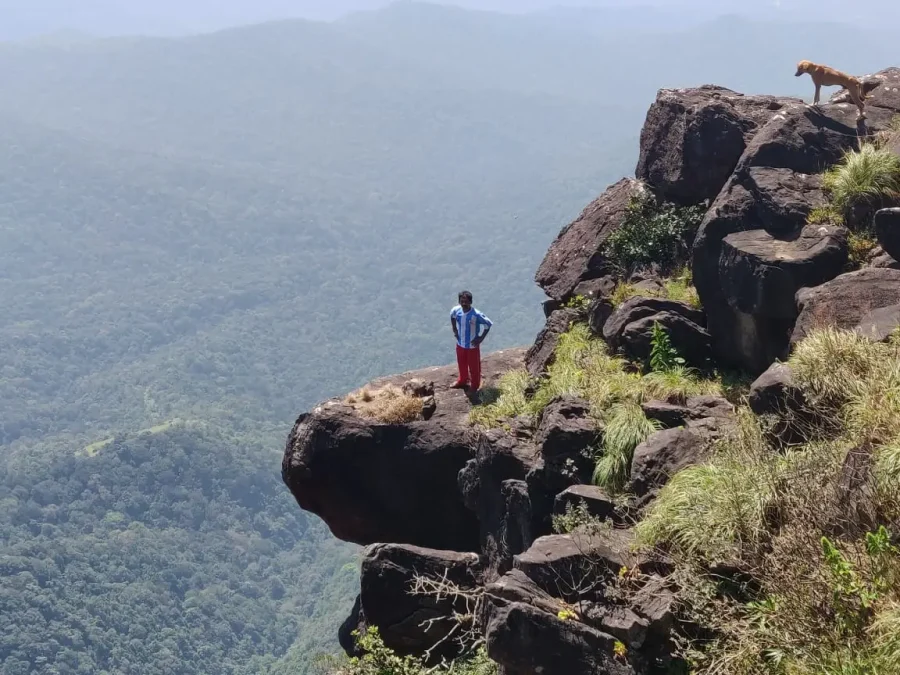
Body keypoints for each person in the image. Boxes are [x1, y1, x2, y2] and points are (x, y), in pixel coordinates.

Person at [450, 290, 492, 393]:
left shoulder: (476, 314)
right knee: (462, 364)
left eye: (466, 301)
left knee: (474, 367)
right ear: (459, 301)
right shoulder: (456, 310)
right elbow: (452, 316)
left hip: (472, 346)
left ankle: (475, 385)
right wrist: (454, 329)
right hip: (460, 344)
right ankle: (462, 380)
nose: (464, 303)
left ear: (470, 302)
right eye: (462, 301)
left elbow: (488, 324)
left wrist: (481, 338)